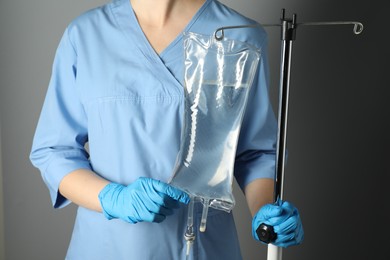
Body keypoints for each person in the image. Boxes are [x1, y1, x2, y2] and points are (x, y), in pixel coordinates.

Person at [30, 0, 304, 259]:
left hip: (200, 246)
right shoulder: (85, 36)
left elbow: (256, 153)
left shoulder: (240, 35)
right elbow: (55, 151)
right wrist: (114, 199)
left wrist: (265, 213)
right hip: (105, 245)